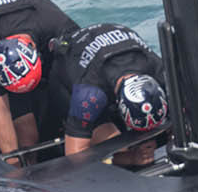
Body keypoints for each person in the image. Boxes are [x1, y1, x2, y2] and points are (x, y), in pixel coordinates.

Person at [0, 0, 77, 163]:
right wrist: (14, 164)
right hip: (9, 62)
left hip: (46, 46)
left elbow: (82, 73)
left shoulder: (56, 24)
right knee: (28, 138)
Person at [45, 24, 170, 167]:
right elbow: (75, 157)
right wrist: (128, 159)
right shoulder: (89, 95)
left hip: (110, 48)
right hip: (67, 74)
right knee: (118, 143)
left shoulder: (158, 70)